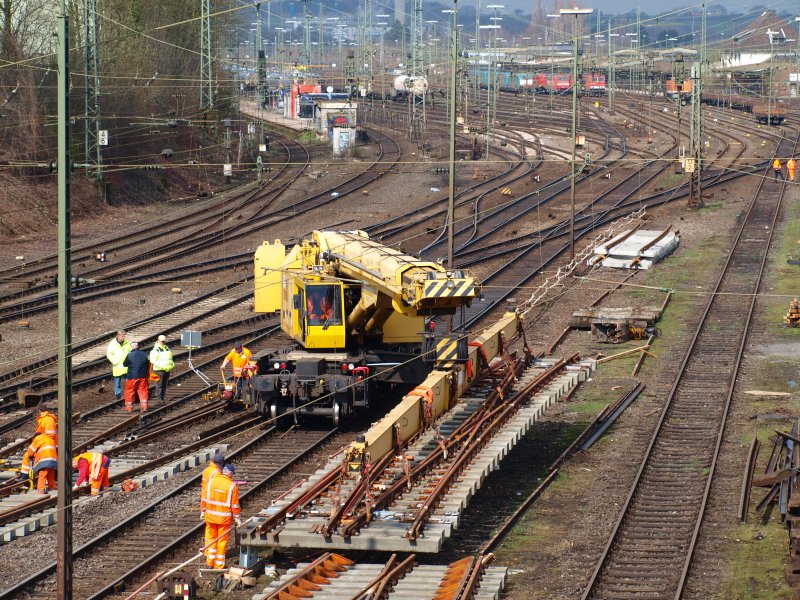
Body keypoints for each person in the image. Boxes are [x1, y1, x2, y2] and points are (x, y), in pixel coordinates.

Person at [202, 463, 241, 569]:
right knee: (221, 541)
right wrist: (237, 518)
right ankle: (218, 565)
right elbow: (235, 505)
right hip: (223, 519)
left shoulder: (211, 482)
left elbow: (204, 497)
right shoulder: (232, 486)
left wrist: (203, 510)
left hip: (210, 517)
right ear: (231, 473)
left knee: (211, 539)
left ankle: (210, 563)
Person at [200, 452, 225, 562]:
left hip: (206, 502)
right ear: (220, 463)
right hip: (214, 504)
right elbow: (216, 488)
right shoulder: (216, 473)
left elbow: (204, 489)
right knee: (218, 535)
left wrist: (203, 507)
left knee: (209, 532)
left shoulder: (207, 470)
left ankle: (208, 553)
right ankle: (215, 557)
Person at [123, 342, 150, 412]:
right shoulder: (144, 354)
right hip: (143, 376)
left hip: (132, 376)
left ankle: (129, 408)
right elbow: (148, 364)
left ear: (131, 347)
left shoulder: (129, 355)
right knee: (143, 391)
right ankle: (144, 407)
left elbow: (125, 364)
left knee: (130, 391)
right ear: (138, 347)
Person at [106, 330, 132, 401]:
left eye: (124, 336)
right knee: (117, 384)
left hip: (126, 367)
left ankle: (129, 396)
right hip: (117, 367)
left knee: (129, 382)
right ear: (117, 336)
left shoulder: (127, 343)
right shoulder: (112, 344)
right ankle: (118, 397)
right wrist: (115, 362)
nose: (123, 338)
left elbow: (130, 352)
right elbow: (109, 354)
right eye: (122, 336)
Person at [149, 335, 175, 403]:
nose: (163, 342)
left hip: (166, 369)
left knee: (164, 384)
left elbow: (170, 358)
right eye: (162, 341)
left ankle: (164, 397)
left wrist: (171, 365)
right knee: (159, 385)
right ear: (158, 340)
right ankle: (159, 398)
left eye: (164, 341)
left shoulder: (166, 348)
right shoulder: (155, 350)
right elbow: (153, 360)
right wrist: (161, 366)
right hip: (159, 370)